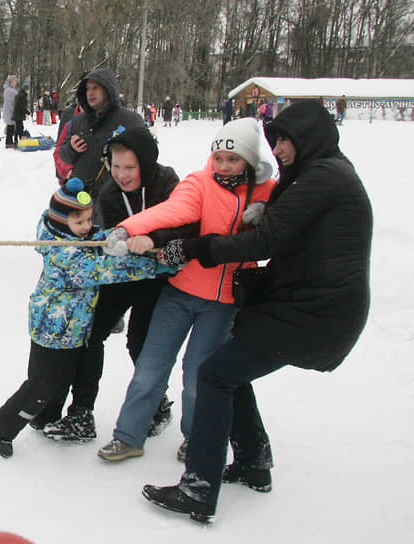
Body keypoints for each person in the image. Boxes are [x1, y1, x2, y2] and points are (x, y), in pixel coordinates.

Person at [142, 99, 372, 525]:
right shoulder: (321, 175)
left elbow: (265, 241)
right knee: (231, 372)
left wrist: (195, 248)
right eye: (276, 140)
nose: (279, 149)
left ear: (309, 138)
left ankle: (199, 488)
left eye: (285, 140)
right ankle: (252, 461)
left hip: (317, 312)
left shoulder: (322, 179)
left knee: (213, 374)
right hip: (312, 306)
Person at [96, 118, 276, 463]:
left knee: (197, 373)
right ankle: (129, 435)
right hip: (180, 291)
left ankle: (195, 437)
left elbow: (290, 217)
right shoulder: (199, 183)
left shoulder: (267, 189)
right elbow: (173, 212)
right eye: (219, 158)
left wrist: (269, 212)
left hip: (223, 301)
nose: (223, 166)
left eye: (233, 159)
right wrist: (128, 229)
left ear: (250, 161)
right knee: (150, 365)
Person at [0, 179, 176, 458]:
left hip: (72, 330)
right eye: (79, 222)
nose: (87, 226)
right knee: (42, 383)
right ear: (62, 222)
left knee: (60, 378)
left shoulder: (72, 235)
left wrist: (122, 235)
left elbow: (99, 236)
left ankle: (44, 417)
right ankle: (3, 425)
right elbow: (109, 270)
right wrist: (158, 264)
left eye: (89, 219)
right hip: (53, 331)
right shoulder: (65, 255)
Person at [39, 127, 197, 443]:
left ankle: (157, 403)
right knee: (90, 332)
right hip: (126, 274)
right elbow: (103, 238)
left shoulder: (168, 185)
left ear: (146, 163)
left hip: (162, 276)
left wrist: (153, 241)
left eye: (130, 167)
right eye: (115, 166)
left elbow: (186, 225)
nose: (121, 175)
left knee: (140, 341)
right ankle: (81, 413)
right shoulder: (110, 194)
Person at [57, 68, 147, 225]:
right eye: (88, 89)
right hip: (82, 202)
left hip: (117, 202)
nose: (90, 93)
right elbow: (62, 155)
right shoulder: (77, 121)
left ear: (108, 89)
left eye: (96, 88)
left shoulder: (130, 120)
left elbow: (147, 156)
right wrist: (71, 148)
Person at [1, 74, 18, 148]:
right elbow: (10, 102)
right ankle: (9, 142)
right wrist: (14, 110)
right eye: (14, 81)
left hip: (10, 111)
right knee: (10, 127)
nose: (16, 82)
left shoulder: (10, 90)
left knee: (11, 126)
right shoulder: (9, 91)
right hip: (10, 111)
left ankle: (10, 141)